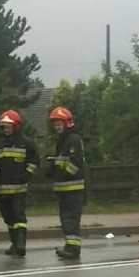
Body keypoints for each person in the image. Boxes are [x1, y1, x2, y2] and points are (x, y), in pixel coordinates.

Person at [0, 109, 39, 257]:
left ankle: (21, 245)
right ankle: (14, 244)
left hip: (19, 189)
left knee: (19, 216)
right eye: (4, 126)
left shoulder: (26, 143)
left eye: (9, 126)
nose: (6, 129)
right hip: (2, 190)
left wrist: (27, 174)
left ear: (16, 126)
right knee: (8, 218)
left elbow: (34, 161)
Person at [47, 107, 86, 260]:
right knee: (65, 218)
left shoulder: (73, 139)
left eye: (59, 123)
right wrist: (52, 169)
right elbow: (61, 161)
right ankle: (69, 245)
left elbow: (75, 163)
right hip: (64, 187)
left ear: (67, 123)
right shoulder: (62, 140)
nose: (57, 127)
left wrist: (62, 175)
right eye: (55, 124)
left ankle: (74, 250)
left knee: (71, 218)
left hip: (73, 186)